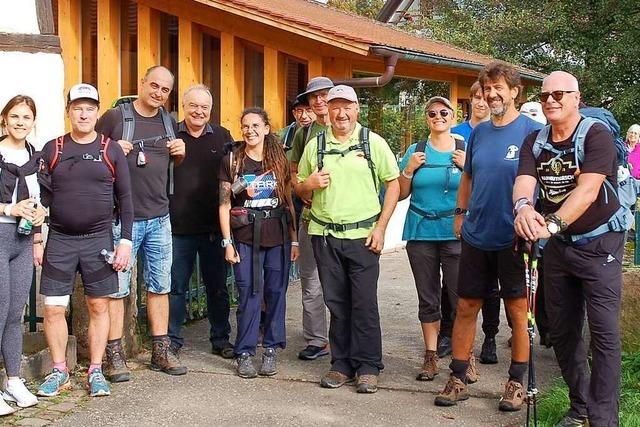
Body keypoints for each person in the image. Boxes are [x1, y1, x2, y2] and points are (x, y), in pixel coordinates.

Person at [514, 71, 624, 427]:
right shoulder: (535, 139)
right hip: (559, 247)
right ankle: (580, 408)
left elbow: (588, 190)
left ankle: (604, 419)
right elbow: (525, 182)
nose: (551, 101)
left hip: (600, 242)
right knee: (561, 331)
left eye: (560, 94)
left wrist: (552, 224)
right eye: (546, 95)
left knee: (604, 333)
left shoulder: (596, 135)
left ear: (578, 97)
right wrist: (523, 210)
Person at [434, 61, 543, 411]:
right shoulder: (478, 132)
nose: (491, 94)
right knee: (466, 305)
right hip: (477, 235)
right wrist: (460, 213)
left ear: (515, 91)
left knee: (516, 309)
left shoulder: (533, 131)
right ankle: (458, 377)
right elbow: (467, 176)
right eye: (485, 89)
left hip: (514, 237)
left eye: (498, 88)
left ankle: (516, 382)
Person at [297, 85, 400, 393]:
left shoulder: (373, 143)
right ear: (327, 111)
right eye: (335, 107)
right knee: (337, 303)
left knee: (364, 303)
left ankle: (368, 365)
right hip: (325, 236)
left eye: (347, 107)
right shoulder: (315, 145)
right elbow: (299, 186)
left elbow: (393, 184)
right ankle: (341, 364)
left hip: (364, 237)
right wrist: (309, 185)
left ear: (357, 110)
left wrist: (381, 227)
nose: (341, 113)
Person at [36, 84, 134, 398]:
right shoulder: (53, 149)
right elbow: (38, 198)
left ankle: (95, 370)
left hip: (99, 240)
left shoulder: (110, 148)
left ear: (96, 112)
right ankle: (59, 370)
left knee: (98, 305)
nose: (83, 113)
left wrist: (126, 242)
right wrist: (37, 238)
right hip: (60, 241)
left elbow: (126, 199)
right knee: (52, 309)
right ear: (69, 111)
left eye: (90, 108)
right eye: (78, 107)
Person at [96, 65, 187, 381]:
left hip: (160, 217)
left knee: (160, 286)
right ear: (142, 83)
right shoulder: (116, 117)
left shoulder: (168, 120)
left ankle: (160, 352)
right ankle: (113, 355)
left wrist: (181, 152)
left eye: (165, 89)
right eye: (154, 85)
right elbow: (91, 151)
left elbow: (171, 161)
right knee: (117, 291)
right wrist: (108, 150)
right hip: (122, 220)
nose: (159, 93)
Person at [219, 107, 299, 378]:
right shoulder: (233, 159)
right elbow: (224, 203)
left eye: (255, 125)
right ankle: (245, 352)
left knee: (276, 293)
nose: (250, 131)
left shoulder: (278, 158)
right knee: (249, 295)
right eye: (245, 126)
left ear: (266, 128)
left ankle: (271, 350)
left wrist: (295, 239)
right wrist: (227, 242)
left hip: (277, 236)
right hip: (244, 238)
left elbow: (288, 200)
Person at [398, 96, 465, 381]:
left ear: (453, 116)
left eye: (444, 112)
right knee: (428, 298)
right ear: (426, 118)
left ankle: (465, 357)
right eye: (432, 113)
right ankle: (431, 356)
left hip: (455, 233)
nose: (438, 116)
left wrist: (468, 168)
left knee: (461, 298)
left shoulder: (465, 149)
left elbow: (480, 190)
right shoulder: (416, 151)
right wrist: (409, 169)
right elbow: (400, 193)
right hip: (421, 233)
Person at [168, 84, 234, 358]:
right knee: (176, 288)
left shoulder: (222, 136)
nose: (199, 111)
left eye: (204, 107)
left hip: (213, 228)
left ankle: (220, 339)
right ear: (184, 107)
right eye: (193, 106)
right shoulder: (171, 133)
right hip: (178, 226)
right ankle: (171, 340)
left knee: (217, 288)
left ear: (211, 110)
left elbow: (233, 175)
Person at [450, 81, 501, 364]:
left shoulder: (503, 130)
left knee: (492, 288)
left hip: (495, 217)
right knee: (462, 288)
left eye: (486, 97)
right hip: (467, 218)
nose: (482, 101)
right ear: (470, 100)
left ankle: (490, 337)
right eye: (477, 97)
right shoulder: (458, 133)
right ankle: (454, 343)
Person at [0, 95, 45, 414]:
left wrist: (40, 221)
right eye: (14, 116)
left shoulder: (35, 158)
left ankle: (13, 379)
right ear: (4, 119)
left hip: (23, 240)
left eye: (26, 117)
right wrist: (8, 208)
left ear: (33, 122)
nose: (20, 122)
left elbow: (41, 198)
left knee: (15, 312)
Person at [288, 77, 334, 361]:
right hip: (310, 218)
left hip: (343, 223)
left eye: (324, 95)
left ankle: (346, 337)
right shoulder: (303, 133)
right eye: (314, 97)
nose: (319, 101)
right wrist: (301, 188)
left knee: (341, 283)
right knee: (311, 281)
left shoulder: (352, 131)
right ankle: (317, 340)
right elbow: (293, 170)